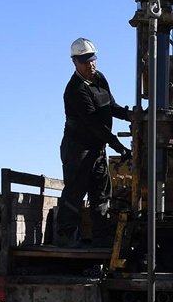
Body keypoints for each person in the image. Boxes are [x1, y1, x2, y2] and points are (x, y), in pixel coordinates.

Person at [56, 37, 133, 247]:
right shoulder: (75, 89)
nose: (90, 64)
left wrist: (132, 115)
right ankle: (67, 237)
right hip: (78, 149)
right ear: (75, 62)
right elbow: (93, 125)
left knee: (101, 193)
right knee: (75, 191)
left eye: (92, 59)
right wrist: (118, 146)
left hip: (97, 148)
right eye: (84, 60)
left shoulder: (99, 78)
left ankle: (102, 238)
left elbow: (111, 106)